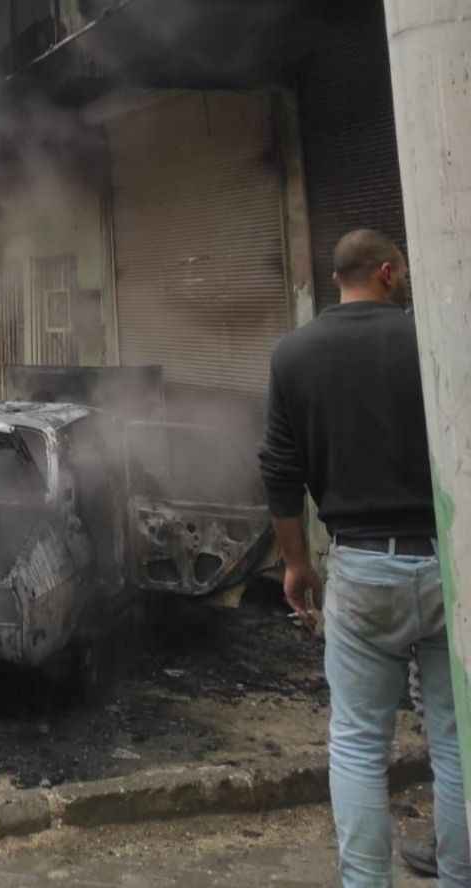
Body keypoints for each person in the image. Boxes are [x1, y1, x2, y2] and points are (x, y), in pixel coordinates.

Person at [259, 229, 470, 886]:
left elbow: (280, 474)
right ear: (387, 271)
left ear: (336, 279)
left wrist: (296, 565)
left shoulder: (293, 355)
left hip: (359, 567)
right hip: (447, 566)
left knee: (356, 745)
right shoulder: (433, 335)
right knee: (455, 739)